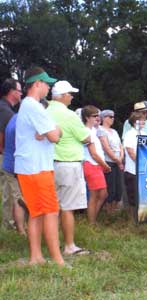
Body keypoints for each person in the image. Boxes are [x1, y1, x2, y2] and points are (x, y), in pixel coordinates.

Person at [15, 67, 65, 265]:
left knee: (36, 213)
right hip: (37, 168)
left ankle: (36, 257)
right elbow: (54, 136)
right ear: (37, 84)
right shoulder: (34, 106)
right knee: (51, 211)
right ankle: (58, 260)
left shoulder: (26, 105)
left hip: (28, 167)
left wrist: (48, 131)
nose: (48, 87)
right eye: (46, 84)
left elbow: (46, 133)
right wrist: (56, 130)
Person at [47, 80, 91, 255]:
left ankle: (53, 244)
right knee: (67, 207)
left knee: (53, 207)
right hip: (68, 164)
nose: (72, 97)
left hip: (50, 164)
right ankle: (69, 246)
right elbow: (86, 137)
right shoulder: (69, 115)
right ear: (63, 96)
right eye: (70, 94)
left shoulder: (45, 111)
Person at [0, 78, 26, 231]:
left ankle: (9, 223)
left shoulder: (6, 108)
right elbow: (2, 133)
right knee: (11, 193)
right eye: (19, 91)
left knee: (8, 191)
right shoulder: (5, 110)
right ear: (11, 92)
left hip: (5, 155)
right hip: (5, 156)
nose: (21, 94)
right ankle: (9, 225)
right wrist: (3, 150)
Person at [81, 105, 111, 224]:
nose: (98, 118)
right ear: (87, 118)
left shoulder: (93, 130)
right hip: (91, 165)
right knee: (95, 195)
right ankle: (91, 222)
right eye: (94, 116)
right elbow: (93, 153)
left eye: (98, 115)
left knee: (103, 194)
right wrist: (105, 165)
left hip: (96, 165)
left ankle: (92, 219)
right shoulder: (86, 131)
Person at [2, 113, 27, 235]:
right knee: (19, 198)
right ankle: (21, 231)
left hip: (9, 163)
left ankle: (16, 227)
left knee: (14, 197)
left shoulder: (15, 116)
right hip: (15, 166)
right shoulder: (21, 123)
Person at [98, 109, 124, 214]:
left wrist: (120, 158)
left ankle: (114, 211)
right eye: (110, 117)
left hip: (118, 161)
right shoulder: (100, 130)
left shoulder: (114, 131)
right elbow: (106, 148)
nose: (112, 119)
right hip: (109, 162)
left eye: (113, 117)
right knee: (110, 187)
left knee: (119, 188)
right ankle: (108, 211)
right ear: (103, 118)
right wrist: (117, 160)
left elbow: (120, 146)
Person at [123, 112, 146, 218]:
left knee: (142, 196)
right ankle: (132, 219)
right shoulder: (129, 134)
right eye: (140, 120)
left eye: (143, 120)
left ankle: (142, 217)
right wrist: (141, 162)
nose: (142, 122)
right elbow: (130, 152)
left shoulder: (144, 134)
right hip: (132, 170)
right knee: (133, 196)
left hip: (144, 171)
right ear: (134, 122)